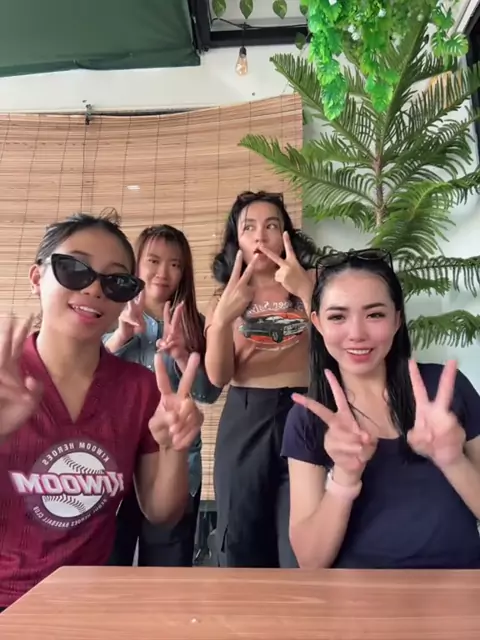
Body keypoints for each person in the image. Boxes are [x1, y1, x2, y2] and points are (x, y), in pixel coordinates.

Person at [0, 212, 203, 611]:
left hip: (91, 605)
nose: (94, 288)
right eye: (74, 268)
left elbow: (161, 513)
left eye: (115, 281)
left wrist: (174, 447)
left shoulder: (139, 388)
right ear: (37, 277)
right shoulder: (4, 376)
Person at [282, 248, 480, 569]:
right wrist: (344, 477)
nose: (357, 334)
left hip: (461, 586)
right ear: (317, 323)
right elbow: (310, 560)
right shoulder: (309, 418)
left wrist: (453, 460)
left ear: (397, 319)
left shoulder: (446, 390)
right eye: (337, 316)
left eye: (374, 315)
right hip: (361, 595)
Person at [205, 190, 319, 568]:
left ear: (286, 234)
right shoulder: (225, 296)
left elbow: (339, 346)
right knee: (239, 536)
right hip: (245, 414)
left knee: (300, 541)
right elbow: (218, 376)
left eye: (272, 225)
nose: (261, 235)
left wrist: (307, 292)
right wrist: (223, 318)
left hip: (304, 410)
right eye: (249, 228)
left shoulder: (315, 281)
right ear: (236, 240)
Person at [104, 224, 221, 567]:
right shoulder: (107, 313)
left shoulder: (197, 324)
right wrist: (121, 336)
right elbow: (87, 375)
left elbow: (208, 392)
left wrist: (183, 355)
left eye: (175, 264)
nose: (163, 272)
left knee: (167, 568)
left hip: (177, 464)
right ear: (136, 265)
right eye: (153, 261)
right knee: (108, 564)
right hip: (115, 461)